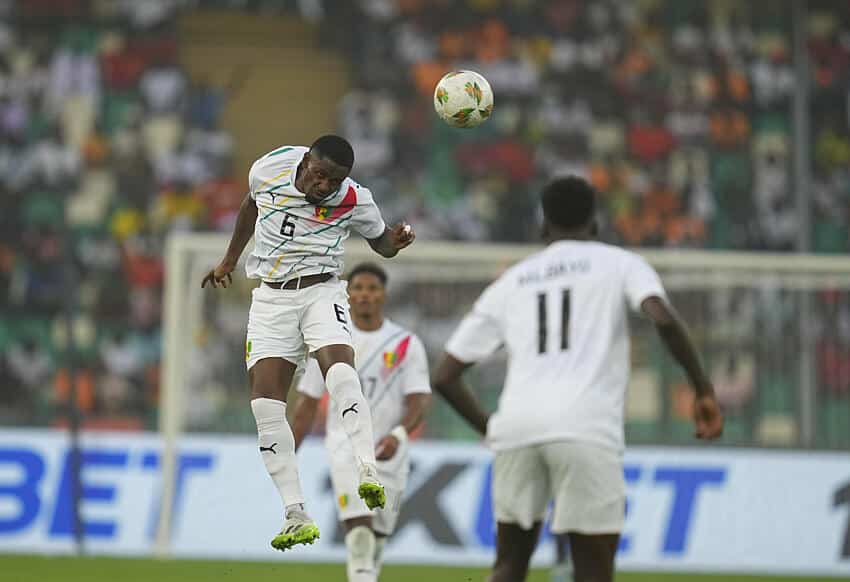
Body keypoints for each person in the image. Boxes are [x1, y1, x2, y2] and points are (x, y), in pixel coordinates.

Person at [433, 176, 723, 582]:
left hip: (518, 426)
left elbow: (445, 375)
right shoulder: (620, 262)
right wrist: (702, 389)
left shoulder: (512, 280)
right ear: (596, 223)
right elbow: (663, 318)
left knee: (508, 568)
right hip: (585, 427)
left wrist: (493, 429)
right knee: (592, 572)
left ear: (542, 227)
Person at [201, 135, 415, 552]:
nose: (324, 186)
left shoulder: (354, 198)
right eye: (319, 175)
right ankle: (295, 512)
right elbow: (251, 204)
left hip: (322, 290)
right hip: (271, 297)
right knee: (265, 403)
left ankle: (367, 469)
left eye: (334, 180)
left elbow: (381, 244)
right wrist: (230, 259)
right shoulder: (269, 168)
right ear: (306, 163)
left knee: (338, 369)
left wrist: (397, 239)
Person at [292, 262, 432, 582]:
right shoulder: (328, 343)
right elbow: (307, 403)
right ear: (347, 294)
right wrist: (288, 453)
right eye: (358, 288)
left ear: (384, 295)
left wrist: (398, 434)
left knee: (377, 542)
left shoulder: (406, 343)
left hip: (390, 449)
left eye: (372, 289)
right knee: (359, 536)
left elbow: (419, 400)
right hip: (346, 447)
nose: (365, 295)